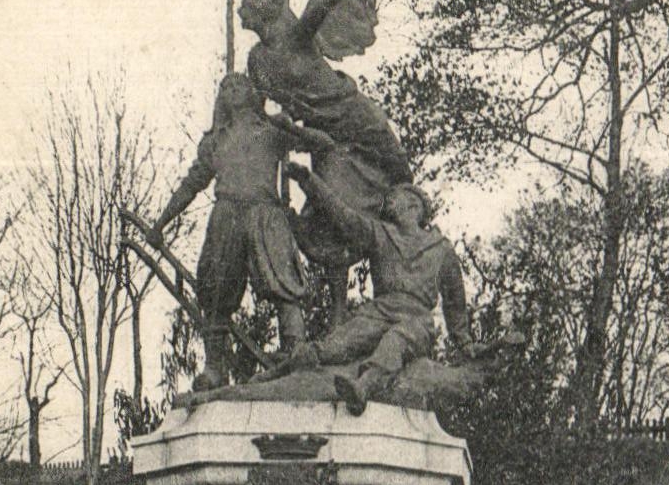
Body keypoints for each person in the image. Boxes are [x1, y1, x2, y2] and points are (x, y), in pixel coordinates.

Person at [148, 72, 310, 390]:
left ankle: (296, 352)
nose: (232, 90)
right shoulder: (215, 140)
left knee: (283, 284)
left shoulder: (273, 129)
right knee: (215, 290)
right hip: (227, 215)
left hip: (266, 213)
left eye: (239, 85)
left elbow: (307, 138)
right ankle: (215, 367)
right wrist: (161, 223)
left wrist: (291, 102)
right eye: (226, 87)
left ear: (253, 92)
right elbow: (192, 184)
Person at [283, 162, 476, 412]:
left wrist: (465, 343)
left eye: (393, 199)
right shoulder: (381, 233)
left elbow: (455, 305)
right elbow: (343, 214)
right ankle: (276, 374)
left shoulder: (442, 249)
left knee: (396, 341)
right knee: (333, 347)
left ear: (413, 206)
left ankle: (363, 387)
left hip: (416, 319)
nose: (387, 204)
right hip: (379, 311)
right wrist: (309, 181)